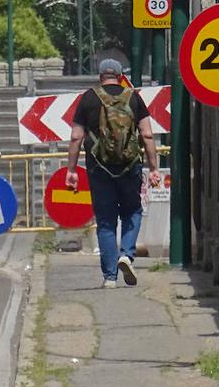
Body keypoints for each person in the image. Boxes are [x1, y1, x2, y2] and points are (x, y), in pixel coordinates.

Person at [66, 59, 160, 288]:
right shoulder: (134, 97)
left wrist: (71, 169)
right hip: (129, 167)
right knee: (133, 211)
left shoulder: (88, 98)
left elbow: (76, 137)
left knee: (106, 221)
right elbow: (147, 135)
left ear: (100, 76)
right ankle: (126, 254)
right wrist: (154, 168)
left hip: (99, 168)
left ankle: (110, 278)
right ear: (120, 76)